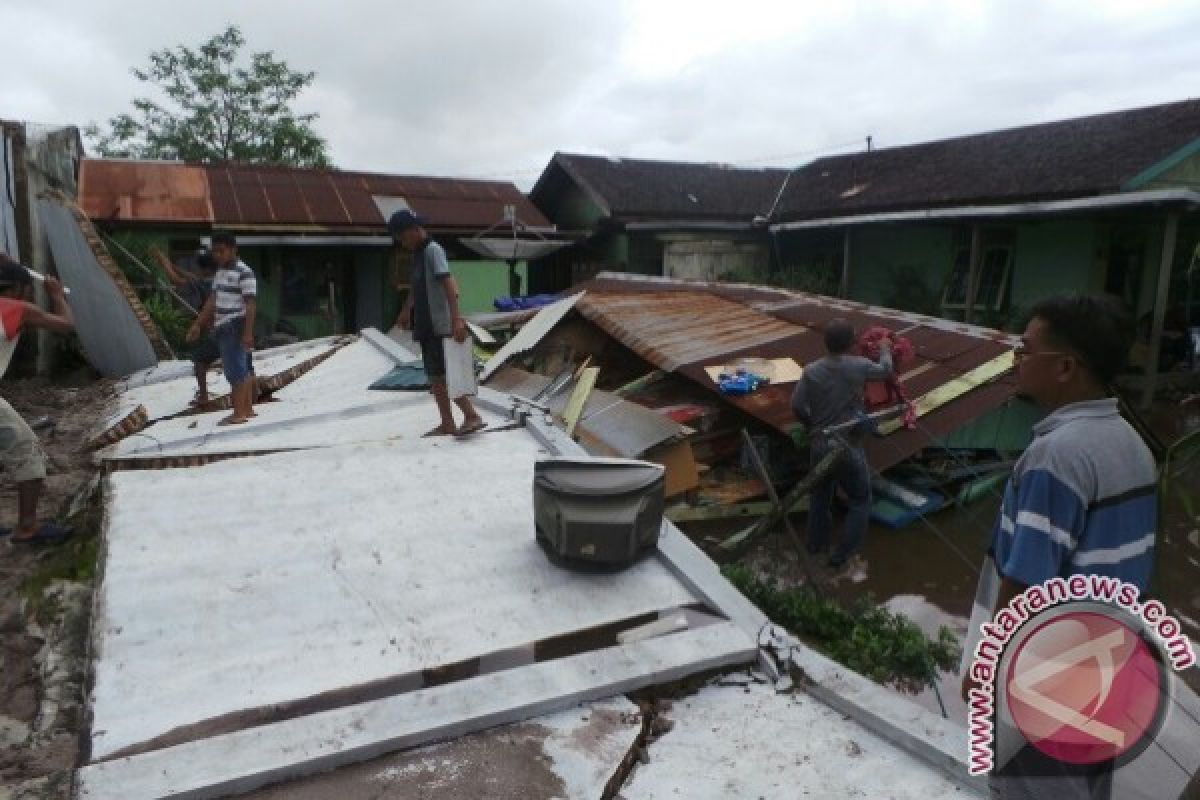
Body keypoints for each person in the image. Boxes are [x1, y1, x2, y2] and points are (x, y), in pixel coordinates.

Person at [959, 294, 1158, 797]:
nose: (1016, 360)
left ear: (1066, 366)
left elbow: (1027, 582)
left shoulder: (1057, 456)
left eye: (1026, 350)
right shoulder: (1131, 442)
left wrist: (986, 671)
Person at [791, 318, 893, 568]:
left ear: (826, 343)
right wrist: (885, 348)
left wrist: (810, 425)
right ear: (851, 343)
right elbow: (886, 370)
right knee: (860, 500)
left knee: (820, 497)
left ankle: (816, 547)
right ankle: (841, 555)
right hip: (848, 446)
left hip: (820, 443)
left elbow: (796, 406)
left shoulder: (811, 371)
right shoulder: (858, 366)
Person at [389, 210, 485, 437]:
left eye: (403, 238)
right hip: (425, 325)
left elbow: (449, 285)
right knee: (435, 378)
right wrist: (406, 310)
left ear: (414, 230)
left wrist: (457, 320)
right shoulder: (418, 255)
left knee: (444, 375)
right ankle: (447, 423)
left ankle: (472, 416)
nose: (403, 243)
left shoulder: (433, 250)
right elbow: (415, 286)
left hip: (439, 324)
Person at [0, 256, 74, 543]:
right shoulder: (17, 308)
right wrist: (56, 295)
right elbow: (66, 325)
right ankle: (27, 527)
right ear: (19, 289)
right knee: (27, 450)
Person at [187, 232, 257, 426]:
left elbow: (250, 304)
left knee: (236, 370)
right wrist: (198, 324)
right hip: (223, 325)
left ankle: (239, 413)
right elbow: (212, 301)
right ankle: (247, 410)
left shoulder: (244, 272)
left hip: (235, 324)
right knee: (241, 368)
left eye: (222, 251)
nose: (218, 255)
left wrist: (248, 333)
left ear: (233, 250)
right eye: (215, 252)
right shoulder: (221, 272)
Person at [151, 245, 219, 405]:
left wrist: (163, 263)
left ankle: (203, 396)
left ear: (203, 268)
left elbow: (176, 280)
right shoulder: (217, 279)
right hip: (229, 327)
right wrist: (171, 263)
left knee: (199, 360)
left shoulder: (203, 284)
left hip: (214, 329)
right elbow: (191, 276)